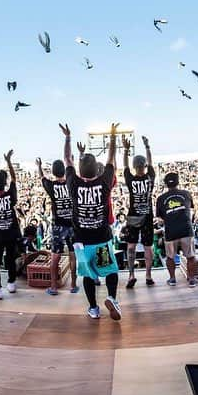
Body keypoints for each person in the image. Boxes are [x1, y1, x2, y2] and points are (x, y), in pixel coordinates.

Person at [60, 122, 122, 321]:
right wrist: (112, 136)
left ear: (79, 171)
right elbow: (112, 158)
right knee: (110, 270)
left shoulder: (73, 183)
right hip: (102, 240)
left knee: (87, 274)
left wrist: (68, 137)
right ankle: (112, 297)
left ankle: (94, 308)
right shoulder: (104, 182)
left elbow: (67, 159)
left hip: (82, 243)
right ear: (97, 169)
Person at [38, 157, 79, 296]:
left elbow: (42, 177)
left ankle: (54, 287)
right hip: (72, 225)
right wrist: (71, 161)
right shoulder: (71, 183)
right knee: (73, 255)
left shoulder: (51, 185)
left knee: (55, 255)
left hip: (58, 226)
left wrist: (39, 165)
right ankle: (73, 285)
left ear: (54, 172)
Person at [0, 150, 21, 300]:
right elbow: (14, 178)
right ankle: (11, 284)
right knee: (11, 258)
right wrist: (8, 161)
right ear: (5, 183)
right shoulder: (11, 195)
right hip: (11, 233)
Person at [122, 135, 156, 289]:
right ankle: (148, 276)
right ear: (145, 165)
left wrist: (126, 150)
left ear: (135, 166)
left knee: (131, 246)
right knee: (148, 247)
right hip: (147, 216)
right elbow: (151, 163)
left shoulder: (130, 179)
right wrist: (148, 146)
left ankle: (131, 275)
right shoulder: (150, 177)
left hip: (133, 217)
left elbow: (125, 167)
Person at [155, 172, 198, 287]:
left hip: (170, 231)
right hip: (186, 229)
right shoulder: (186, 194)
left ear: (165, 184)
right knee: (191, 255)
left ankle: (172, 279)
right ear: (178, 182)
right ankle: (192, 279)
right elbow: (192, 209)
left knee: (170, 256)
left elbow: (159, 218)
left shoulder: (160, 199)